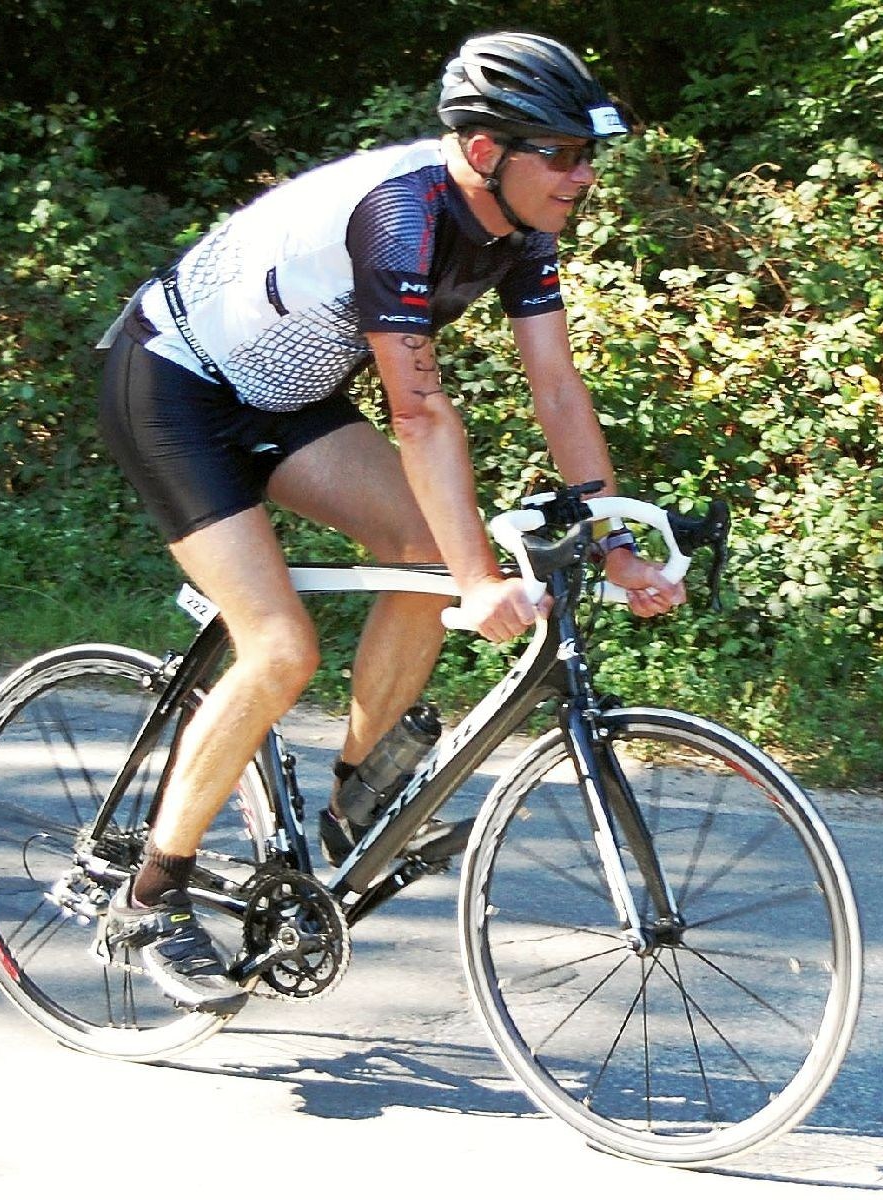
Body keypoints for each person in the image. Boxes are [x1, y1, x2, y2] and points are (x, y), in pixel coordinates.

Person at [93, 31, 686, 1012]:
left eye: (588, 155)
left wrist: (615, 544)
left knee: (424, 553)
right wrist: (481, 579)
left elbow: (556, 386)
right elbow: (418, 414)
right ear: (486, 151)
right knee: (281, 648)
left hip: (284, 397)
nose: (582, 175)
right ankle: (150, 896)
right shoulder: (401, 214)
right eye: (562, 154)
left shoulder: (521, 227)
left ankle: (357, 792)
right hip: (173, 387)